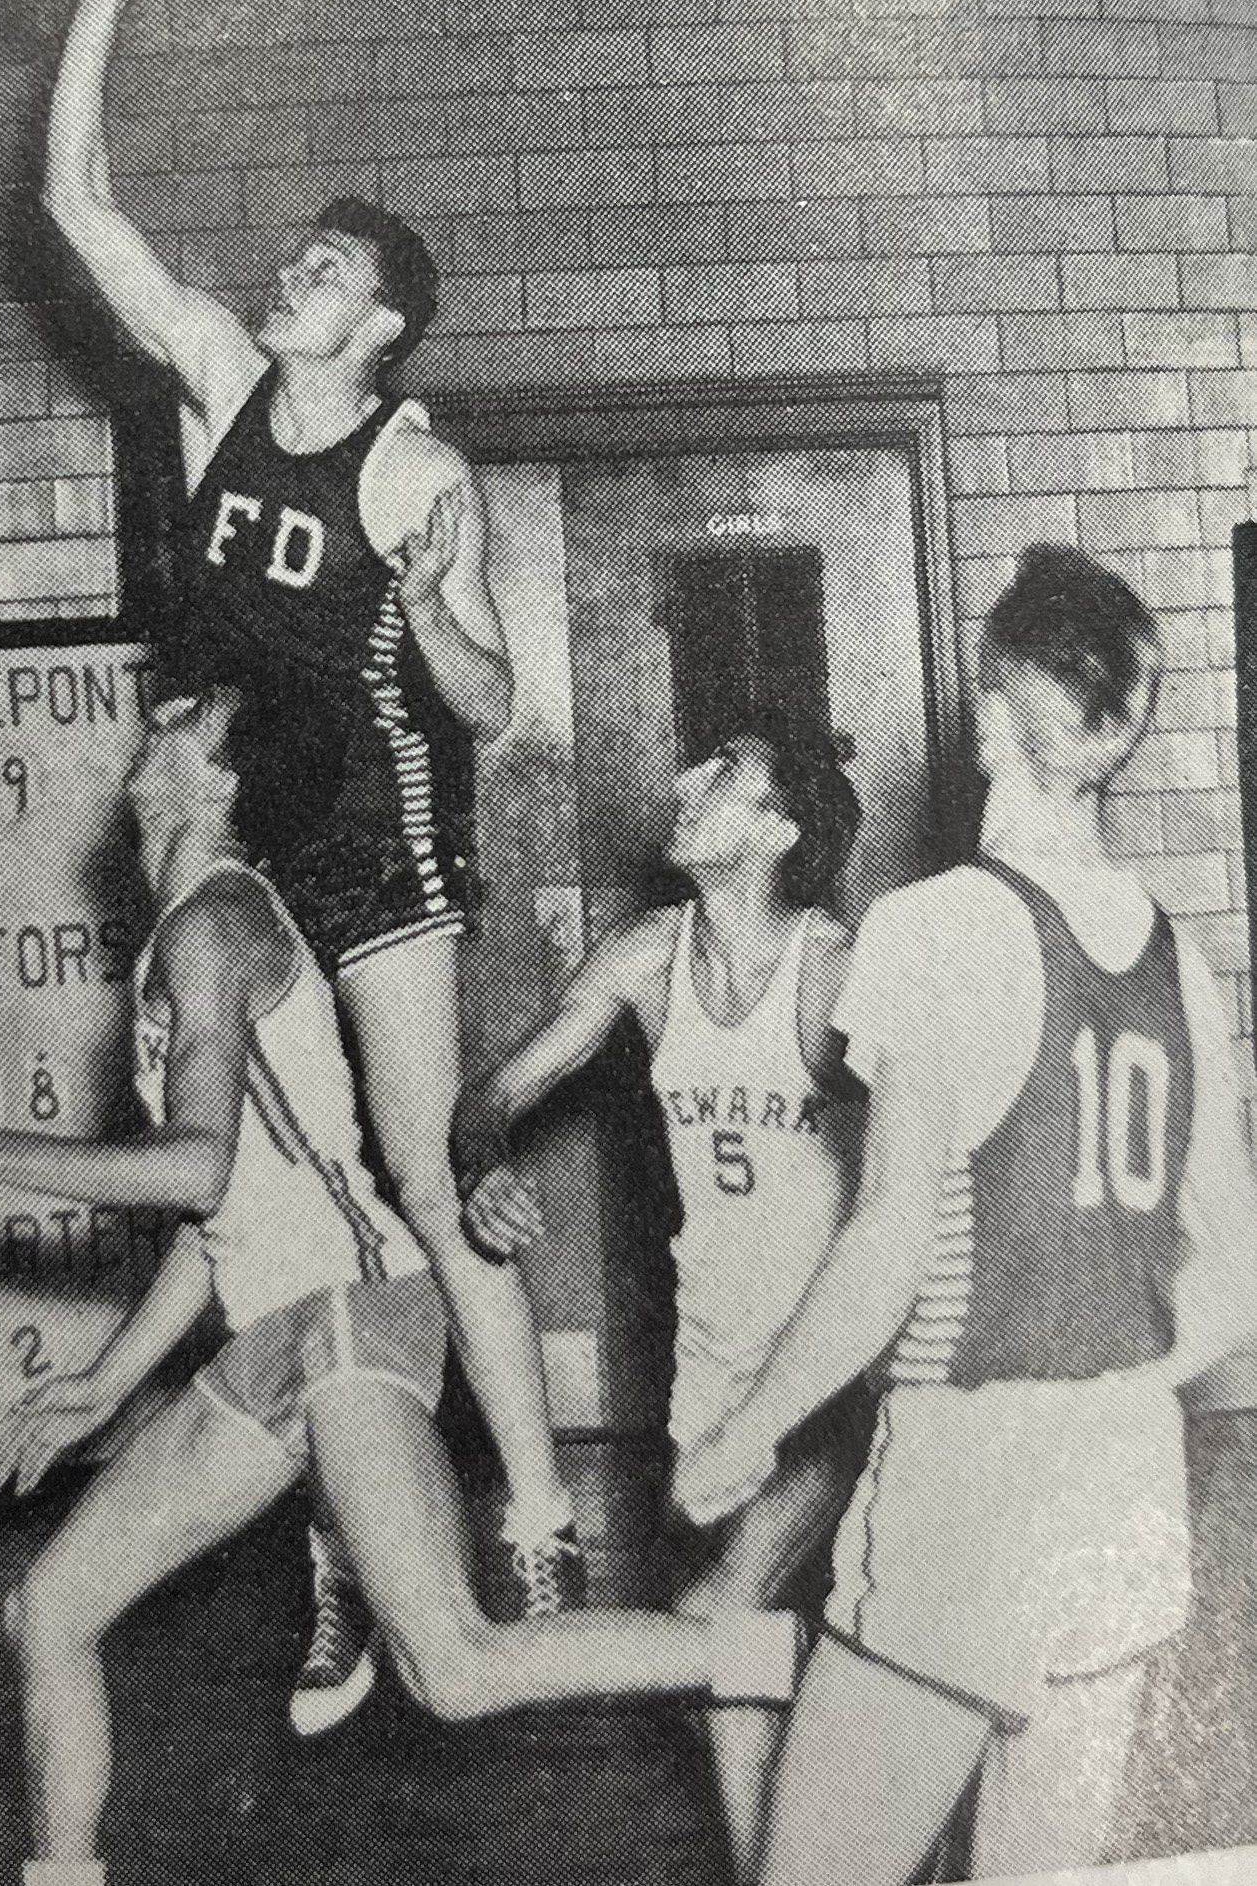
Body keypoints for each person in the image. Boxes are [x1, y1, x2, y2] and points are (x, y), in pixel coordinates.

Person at [0, 691, 805, 1886]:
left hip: (352, 1310)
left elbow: (191, 1164)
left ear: (221, 786)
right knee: (45, 1612)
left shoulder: (214, 929)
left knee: (450, 1667)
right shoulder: (187, 932)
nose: (158, 718)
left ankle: (747, 1649)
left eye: (190, 721)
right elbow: (221, 1213)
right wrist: (104, 1382)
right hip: (275, 1328)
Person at [42, 0, 581, 1717]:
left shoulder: (414, 461)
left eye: (329, 269)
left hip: (380, 836)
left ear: (387, 322)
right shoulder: (213, 386)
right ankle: (347, 1544)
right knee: (281, 1215)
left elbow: (495, 706)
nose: (291, 274)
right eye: (293, 257)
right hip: (259, 841)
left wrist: (432, 604)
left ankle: (530, 1514)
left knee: (420, 1176)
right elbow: (77, 211)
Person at [674, 547, 1257, 1884]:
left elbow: (884, 1247)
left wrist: (746, 1426)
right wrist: (1100, 1374)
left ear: (990, 714)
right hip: (1123, 1490)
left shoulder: (933, 928)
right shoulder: (1181, 958)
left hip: (967, 1486)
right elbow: (1230, 1278)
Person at [456, 713, 872, 1885]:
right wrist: (485, 1163)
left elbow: (934, 1154)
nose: (684, 781)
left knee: (713, 1609)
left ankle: (490, 1666)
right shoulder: (646, 958)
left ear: (777, 830)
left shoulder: (830, 972)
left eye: (724, 774)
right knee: (732, 1668)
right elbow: (489, 1093)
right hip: (707, 1380)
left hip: (825, 1383)